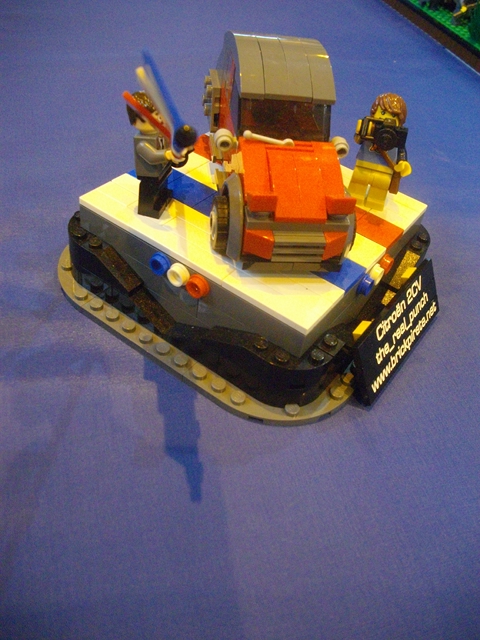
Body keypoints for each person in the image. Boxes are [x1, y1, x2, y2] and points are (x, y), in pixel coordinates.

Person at [348, 93, 411, 211]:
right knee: (357, 185)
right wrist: (359, 133)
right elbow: (358, 140)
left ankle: (375, 206)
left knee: (379, 190)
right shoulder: (369, 127)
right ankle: (353, 202)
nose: (386, 118)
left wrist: (403, 162)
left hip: (384, 169)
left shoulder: (397, 136)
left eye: (393, 115)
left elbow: (401, 149)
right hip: (363, 164)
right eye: (382, 113)